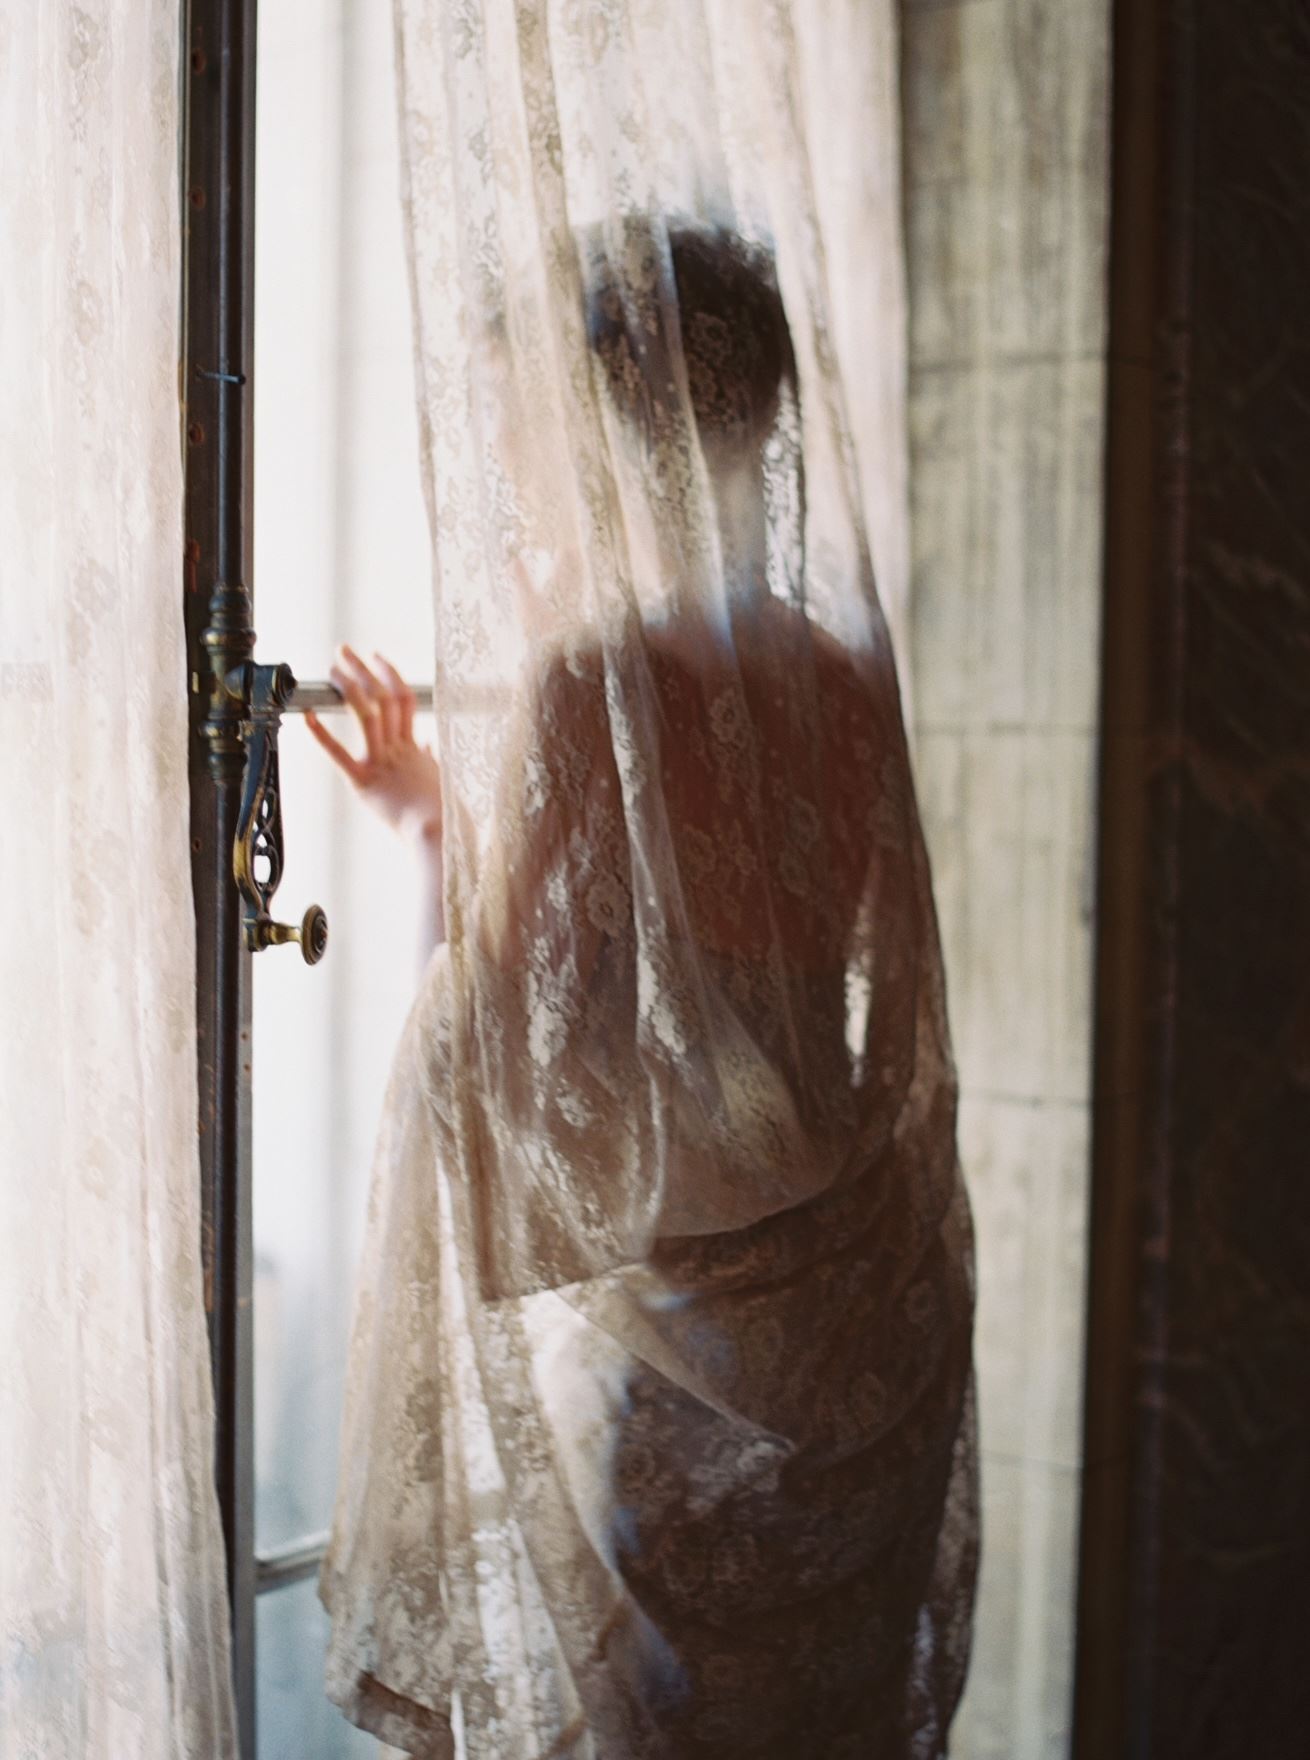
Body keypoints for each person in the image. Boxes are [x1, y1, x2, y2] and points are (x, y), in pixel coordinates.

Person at [312, 227, 977, 1759]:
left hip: (696, 1345)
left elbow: (500, 1043)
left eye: (520, 428)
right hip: (873, 1322)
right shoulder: (851, 679)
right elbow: (819, 1011)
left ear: (615, 439)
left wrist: (429, 831)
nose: (509, 473)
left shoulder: (594, 690)